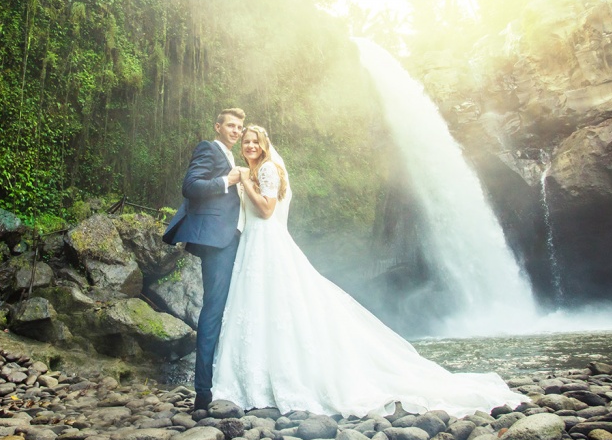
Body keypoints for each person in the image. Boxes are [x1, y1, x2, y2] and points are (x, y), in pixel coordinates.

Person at [211, 126, 528, 418]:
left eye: (255, 142)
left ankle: (281, 379)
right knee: (263, 306)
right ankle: (258, 378)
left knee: (278, 305)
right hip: (255, 242)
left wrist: (246, 182)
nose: (250, 145)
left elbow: (267, 210)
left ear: (264, 145)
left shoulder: (266, 169)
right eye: (246, 142)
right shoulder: (255, 170)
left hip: (268, 240)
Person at [162, 108, 246, 412]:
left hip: (237, 239)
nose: (236, 131)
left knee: (231, 308)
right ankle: (203, 391)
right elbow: (191, 186)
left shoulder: (234, 157)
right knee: (213, 310)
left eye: (240, 127)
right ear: (217, 127)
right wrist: (227, 180)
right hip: (217, 240)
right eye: (231, 125)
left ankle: (232, 380)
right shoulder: (209, 149)